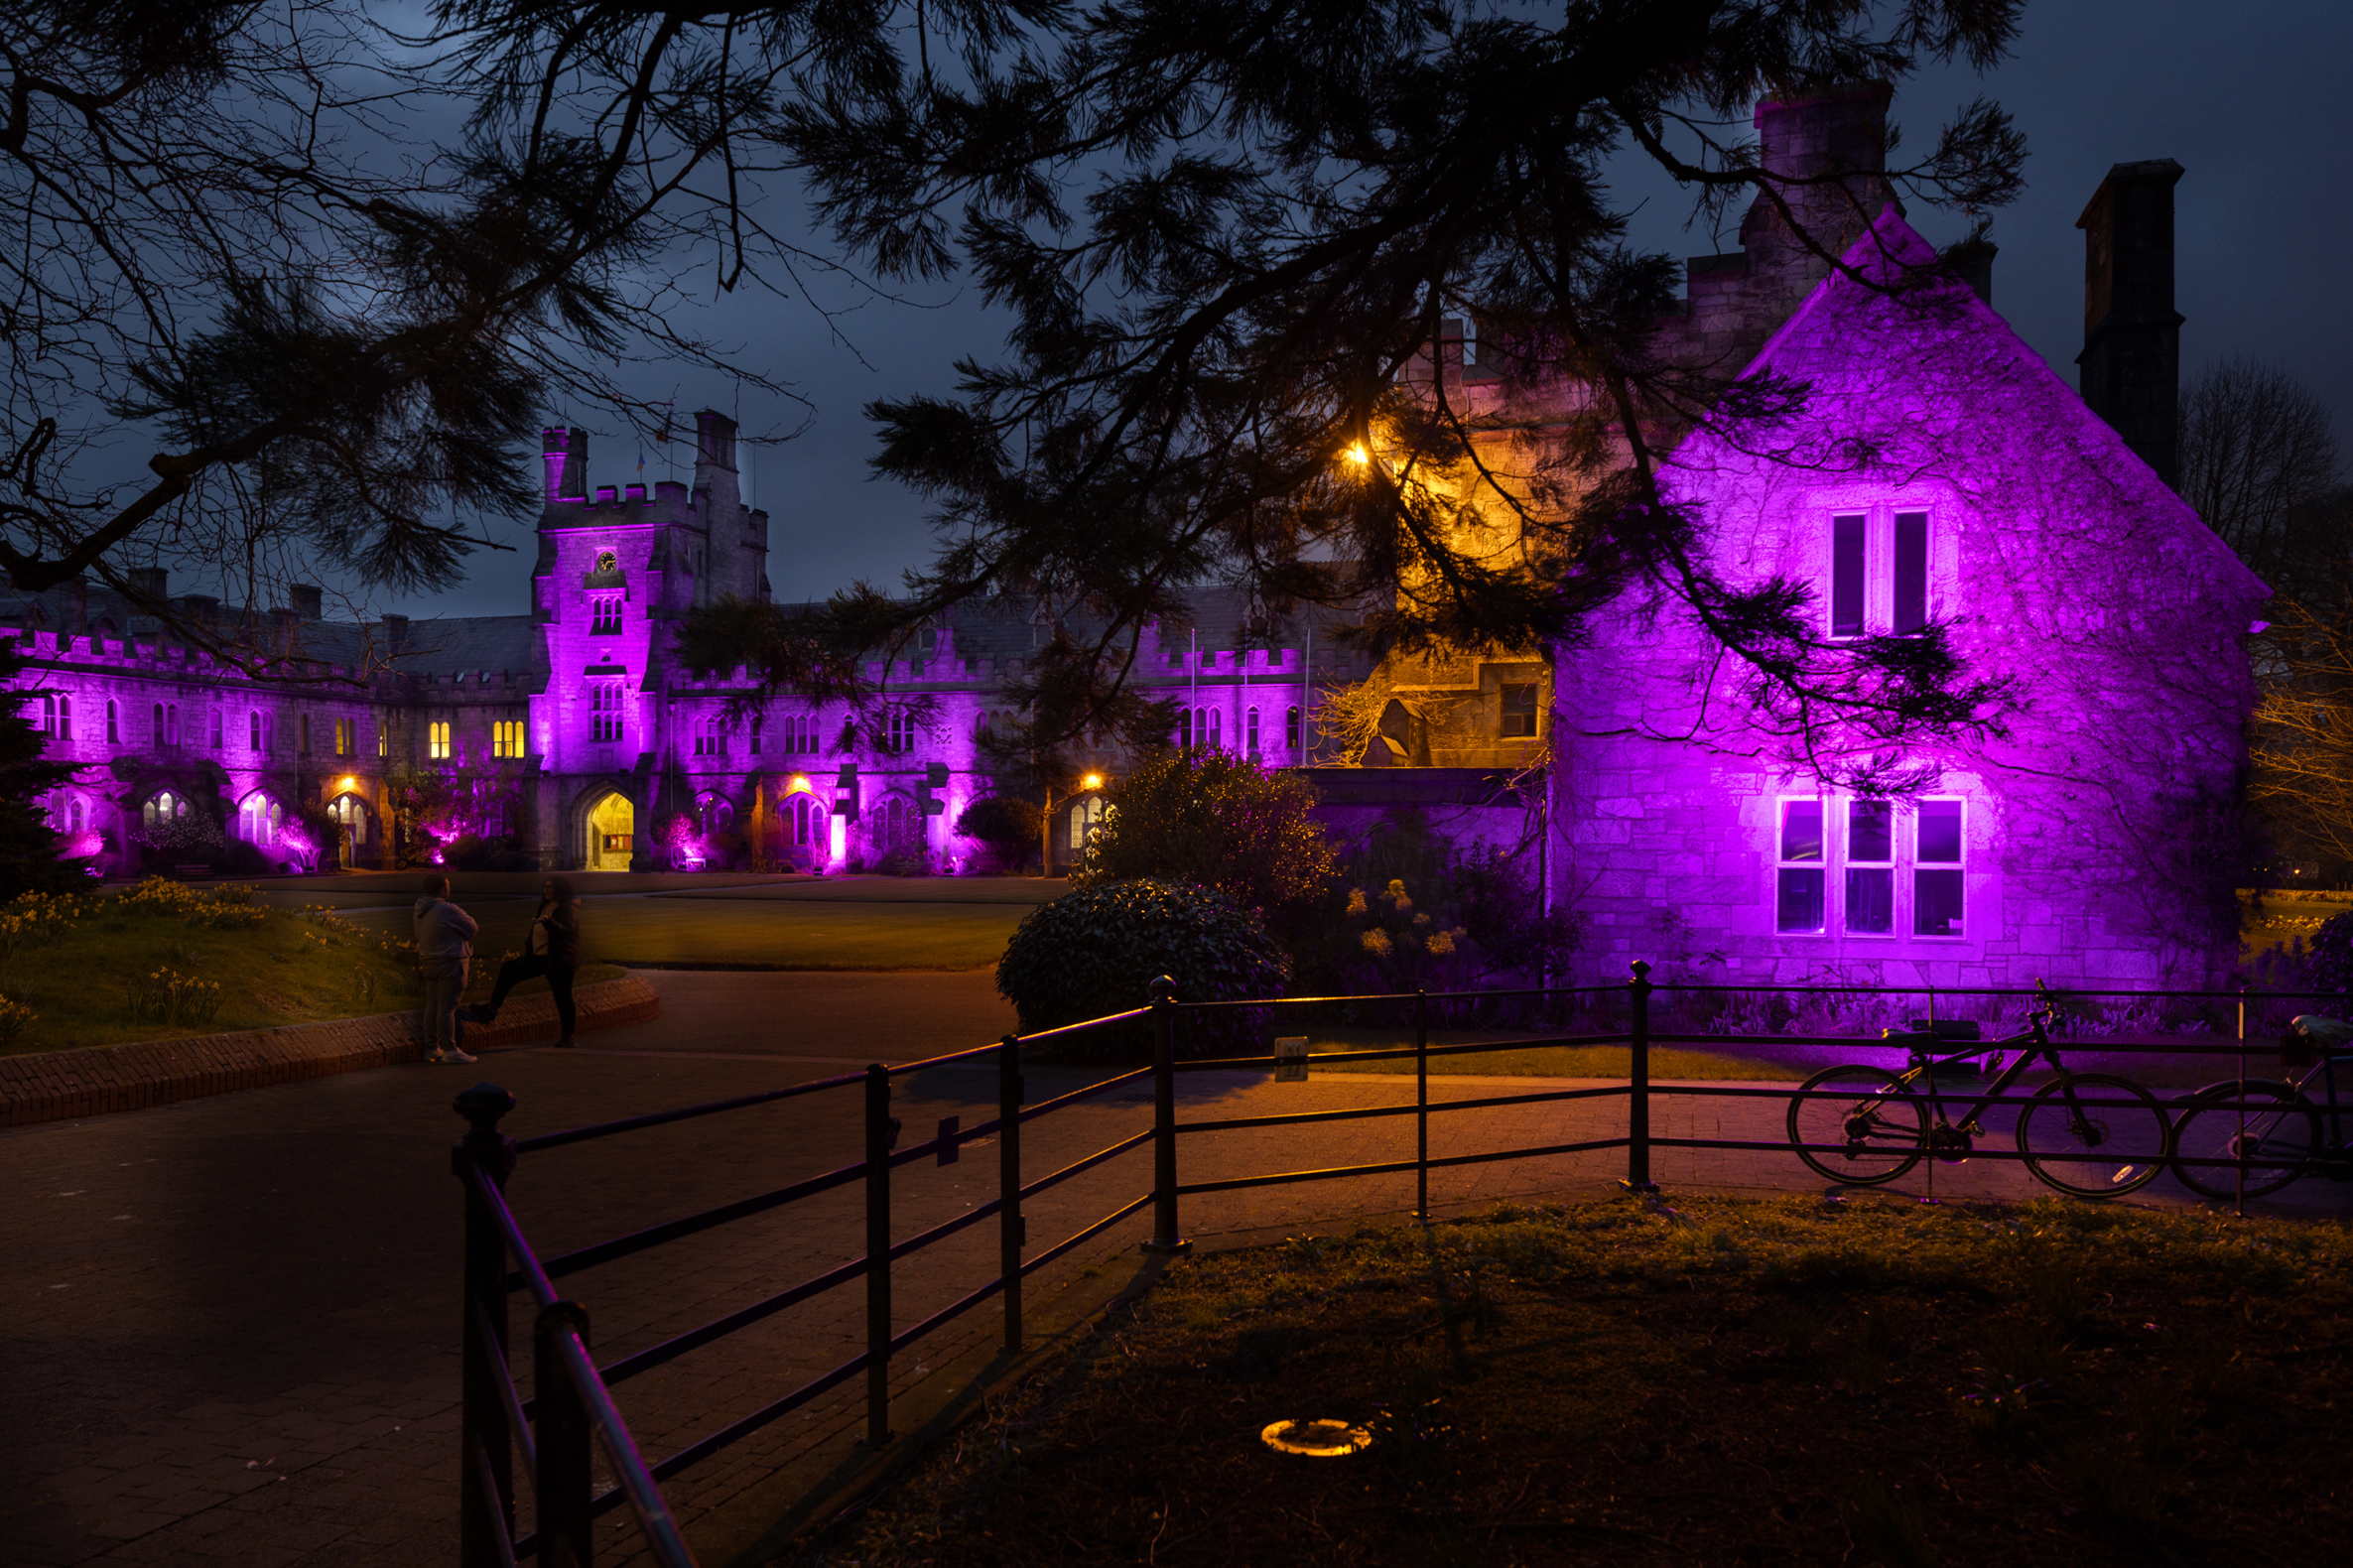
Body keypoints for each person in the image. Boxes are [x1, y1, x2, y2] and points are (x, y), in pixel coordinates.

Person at [468, 876, 582, 1047]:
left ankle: (568, 1036)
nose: (547, 890)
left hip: (559, 959)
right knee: (509, 969)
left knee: (563, 996)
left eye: (551, 887)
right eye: (545, 887)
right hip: (538, 957)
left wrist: (550, 923)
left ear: (560, 889)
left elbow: (568, 932)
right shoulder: (545, 906)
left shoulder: (568, 908)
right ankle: (491, 1008)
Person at [414, 873, 479, 1065]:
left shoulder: (420, 908)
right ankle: (450, 1049)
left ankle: (432, 1047)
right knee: (447, 1009)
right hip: (450, 962)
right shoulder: (447, 909)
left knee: (432, 1006)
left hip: (429, 961)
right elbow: (473, 927)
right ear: (443, 889)